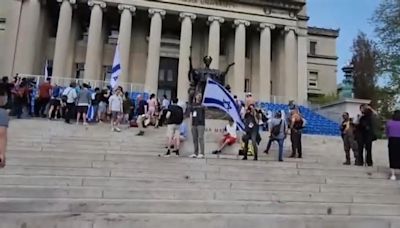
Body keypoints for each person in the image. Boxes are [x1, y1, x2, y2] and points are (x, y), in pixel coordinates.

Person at [190, 93, 206, 159]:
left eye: (200, 96)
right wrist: (191, 124)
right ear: (195, 97)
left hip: (201, 124)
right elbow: (191, 114)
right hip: (194, 123)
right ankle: (195, 152)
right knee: (194, 139)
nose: (199, 97)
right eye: (198, 95)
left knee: (200, 138)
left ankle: (202, 153)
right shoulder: (192, 105)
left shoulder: (203, 106)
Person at [386, 110, 400, 180]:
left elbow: (387, 133)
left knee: (392, 156)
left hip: (392, 141)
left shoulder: (389, 122)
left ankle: (393, 174)